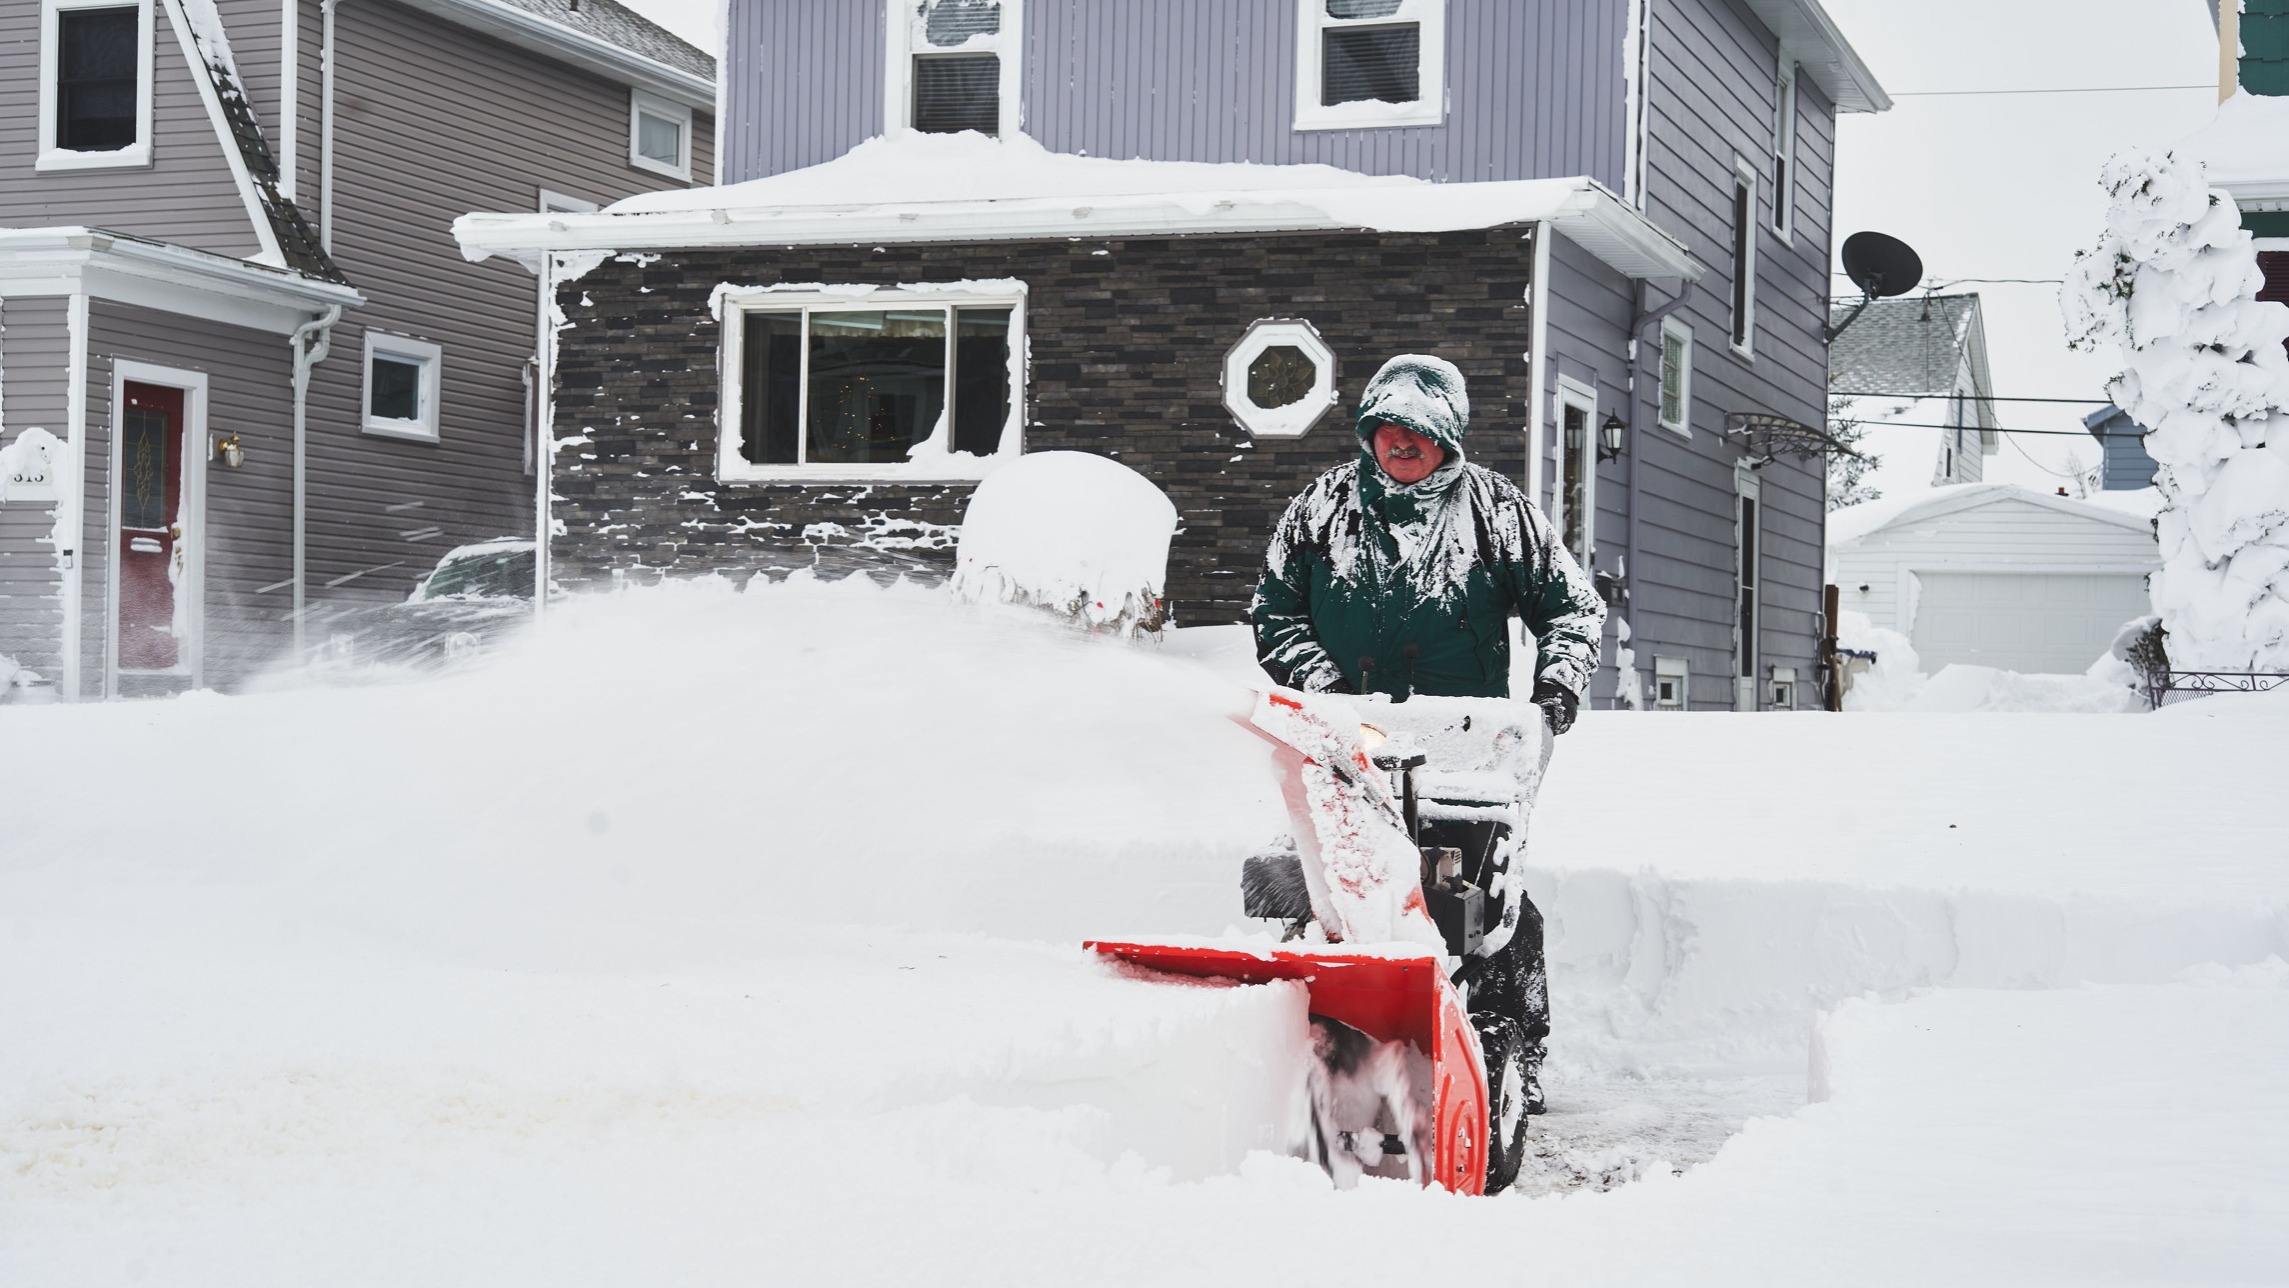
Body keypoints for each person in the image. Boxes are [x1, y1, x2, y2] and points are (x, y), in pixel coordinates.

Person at [1249, 352, 1606, 1117]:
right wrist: (1328, 690)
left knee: (1484, 908)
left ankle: (1510, 1054)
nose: (1401, 443)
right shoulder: (1319, 509)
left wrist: (1552, 693)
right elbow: (1275, 612)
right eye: (1388, 429)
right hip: (1341, 748)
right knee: (1305, 886)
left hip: (1464, 753)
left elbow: (1573, 609)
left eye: (1420, 431)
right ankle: (1291, 1044)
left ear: (1449, 437)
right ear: (1367, 431)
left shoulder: (1496, 511)